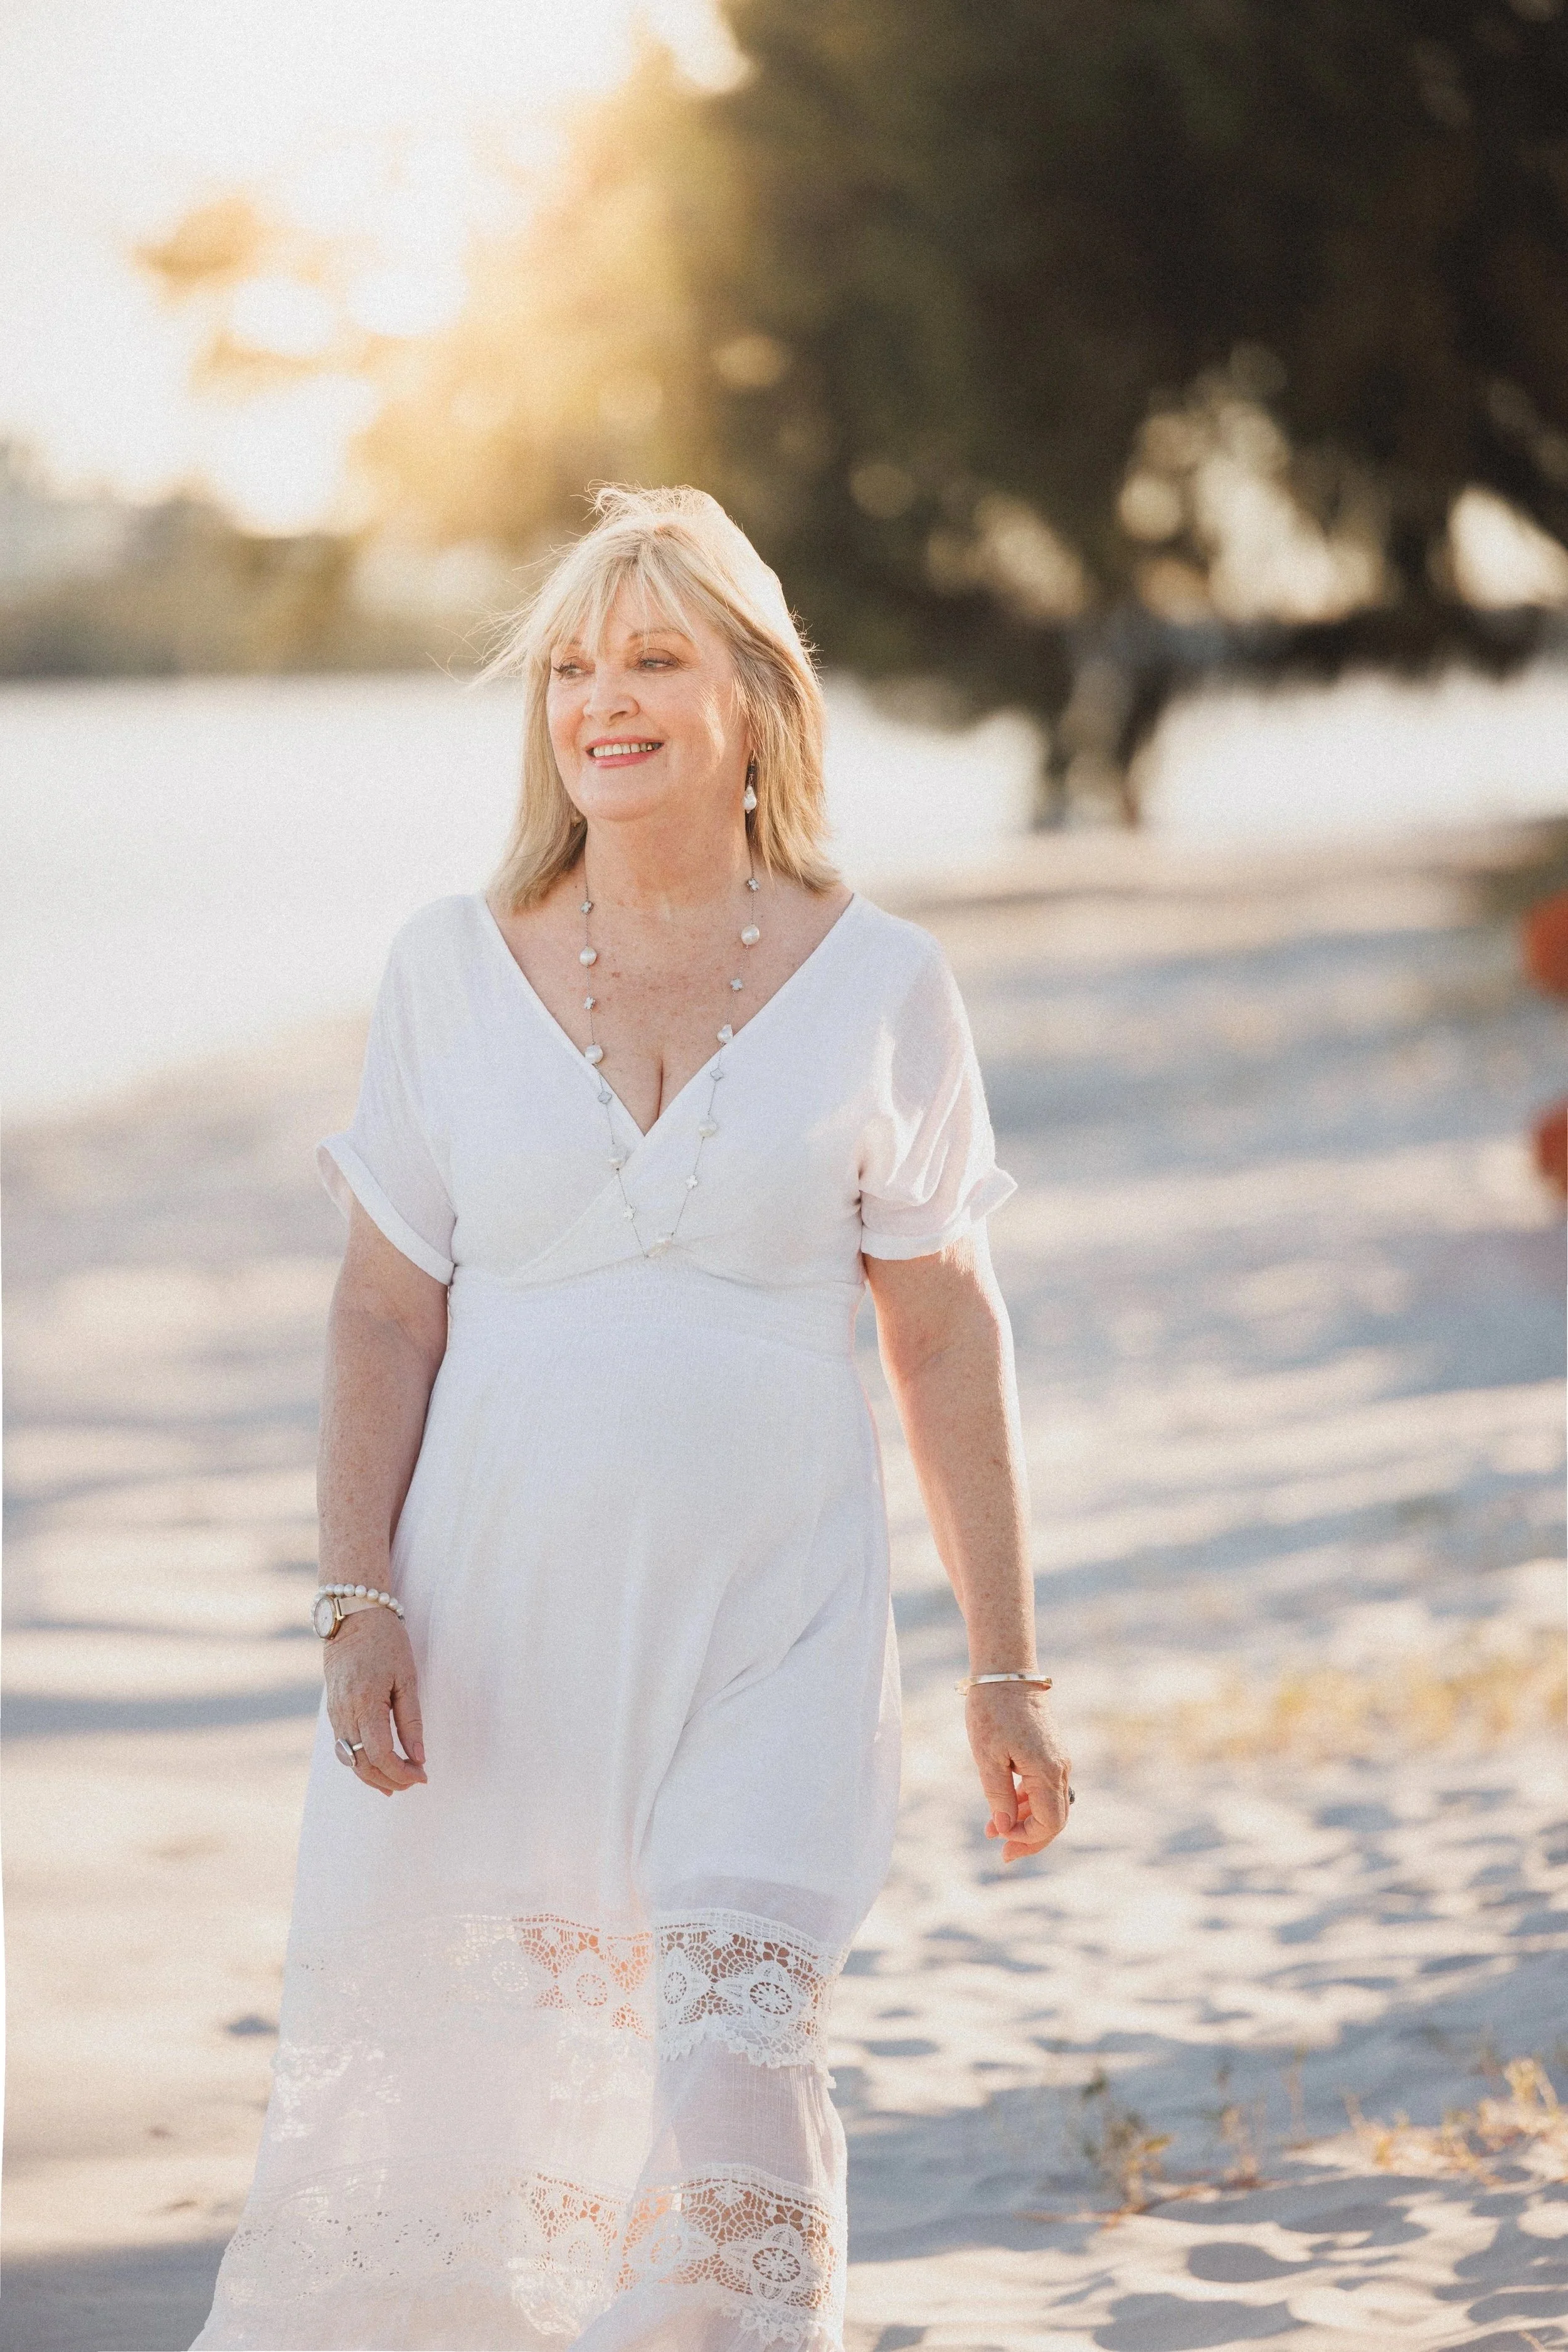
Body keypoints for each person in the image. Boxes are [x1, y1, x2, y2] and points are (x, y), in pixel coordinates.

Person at [191, 484, 1071, 2352]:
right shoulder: (447, 962)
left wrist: (1006, 1664)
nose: (606, 698)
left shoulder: (883, 982)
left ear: (751, 695)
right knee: (480, 2139)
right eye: (575, 663)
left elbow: (940, 1331)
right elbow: (378, 1310)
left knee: (740, 2079)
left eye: (656, 658)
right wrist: (355, 1602)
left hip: (775, 1624)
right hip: (496, 1631)